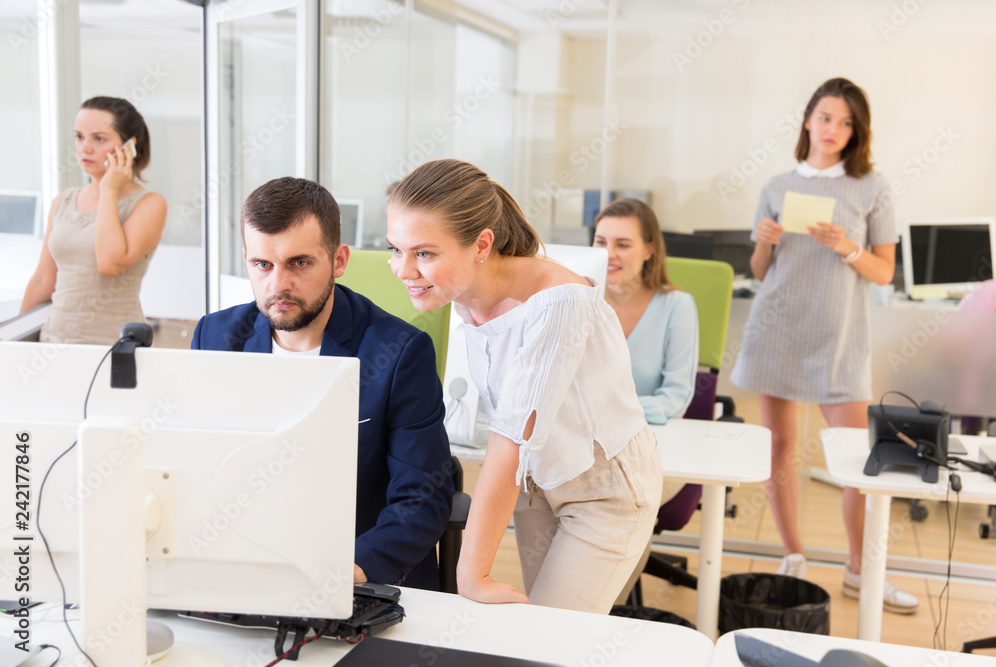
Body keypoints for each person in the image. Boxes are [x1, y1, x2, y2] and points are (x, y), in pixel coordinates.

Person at [386, 159, 662, 614]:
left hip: (603, 491)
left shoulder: (558, 302)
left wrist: (471, 576)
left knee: (551, 637)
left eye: (425, 254)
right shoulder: (465, 295)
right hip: (537, 483)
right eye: (396, 249)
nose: (403, 270)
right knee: (542, 631)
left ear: (482, 244)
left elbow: (510, 437)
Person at [191, 177, 453, 591]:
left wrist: (347, 572)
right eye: (262, 265)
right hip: (245, 567)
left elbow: (422, 498)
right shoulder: (216, 337)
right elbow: (194, 469)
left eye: (299, 263)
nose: (278, 284)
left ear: (338, 260)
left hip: (354, 577)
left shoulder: (399, 353)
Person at [730, 78, 918, 613]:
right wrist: (765, 243)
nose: (833, 129)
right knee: (780, 448)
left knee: (859, 457)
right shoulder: (778, 184)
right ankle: (793, 554)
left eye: (845, 122)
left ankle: (862, 568)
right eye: (825, 117)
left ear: (856, 131)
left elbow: (883, 272)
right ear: (808, 120)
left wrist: (848, 247)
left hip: (840, 339)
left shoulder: (872, 187)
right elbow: (761, 271)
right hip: (778, 331)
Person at [20, 96, 167, 344]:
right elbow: (43, 280)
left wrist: (108, 190)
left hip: (115, 348)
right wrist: (8, 344)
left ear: (129, 146)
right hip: (53, 342)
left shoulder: (149, 204)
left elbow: (109, 263)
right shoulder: (63, 201)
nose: (84, 148)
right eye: (79, 137)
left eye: (98, 138)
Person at [593, 198, 699, 425]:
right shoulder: (580, 301)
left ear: (649, 250)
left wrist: (614, 412)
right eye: (600, 242)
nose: (609, 254)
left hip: (645, 432)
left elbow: (676, 397)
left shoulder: (677, 306)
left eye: (622, 245)